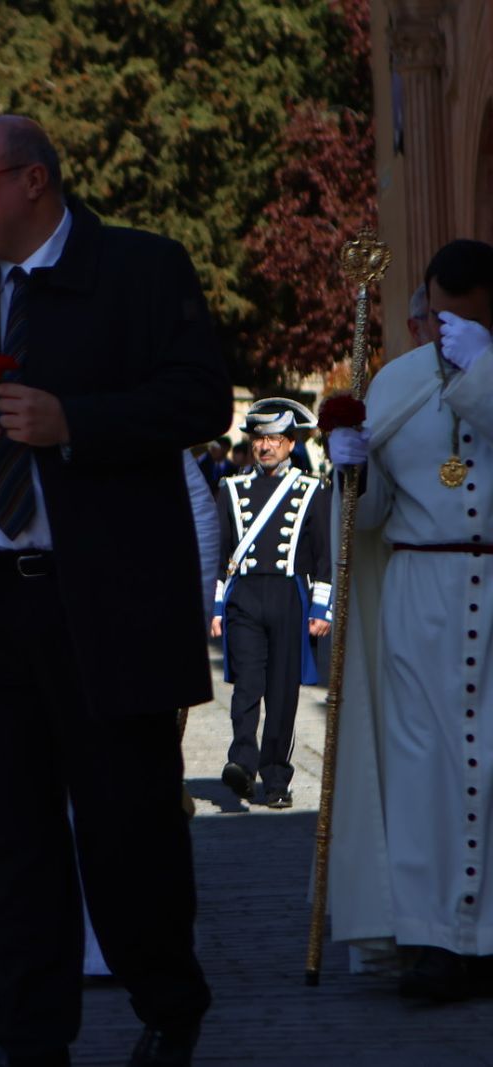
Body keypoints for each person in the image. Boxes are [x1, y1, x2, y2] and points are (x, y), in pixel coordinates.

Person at [0, 115, 227, 1067]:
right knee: (15, 841)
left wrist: (76, 421)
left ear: (33, 181)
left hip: (109, 604)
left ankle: (168, 1003)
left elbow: (200, 396)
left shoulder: (142, 270)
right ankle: (29, 1035)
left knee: (131, 828)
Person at [325, 238, 493, 1001]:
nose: (440, 332)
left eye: (462, 319)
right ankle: (432, 938)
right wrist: (352, 469)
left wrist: (482, 370)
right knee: (424, 770)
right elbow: (371, 520)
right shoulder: (395, 383)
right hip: (420, 589)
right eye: (436, 316)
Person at [211, 398, 331, 808]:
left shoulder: (313, 490)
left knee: (283, 693)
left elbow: (324, 555)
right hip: (243, 596)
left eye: (274, 439)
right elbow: (219, 551)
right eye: (259, 438)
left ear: (291, 442)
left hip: (289, 596)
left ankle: (276, 777)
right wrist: (214, 607)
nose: (265, 447)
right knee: (247, 685)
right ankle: (241, 763)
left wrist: (321, 609)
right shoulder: (231, 488)